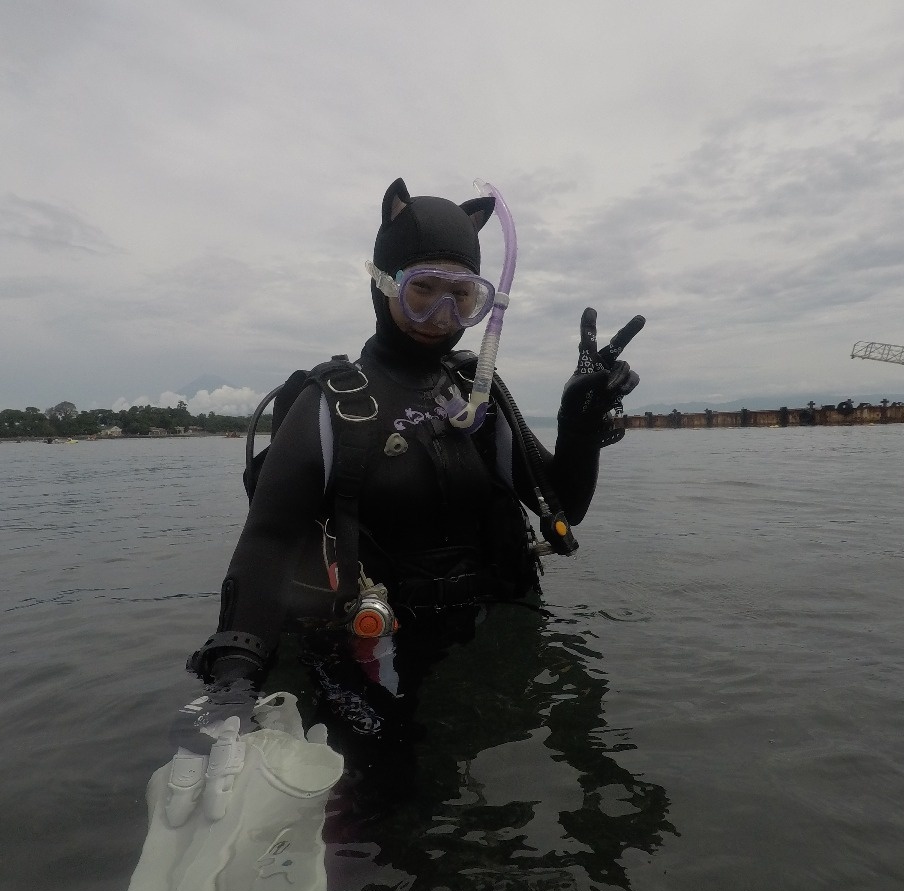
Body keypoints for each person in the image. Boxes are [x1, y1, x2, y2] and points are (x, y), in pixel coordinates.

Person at [173, 177, 640, 801]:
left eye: (463, 296)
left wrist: (577, 427)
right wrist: (233, 682)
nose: (442, 316)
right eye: (423, 290)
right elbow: (268, 542)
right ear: (383, 283)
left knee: (505, 801)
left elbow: (562, 506)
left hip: (494, 641)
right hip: (368, 659)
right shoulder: (331, 404)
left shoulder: (477, 398)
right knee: (392, 805)